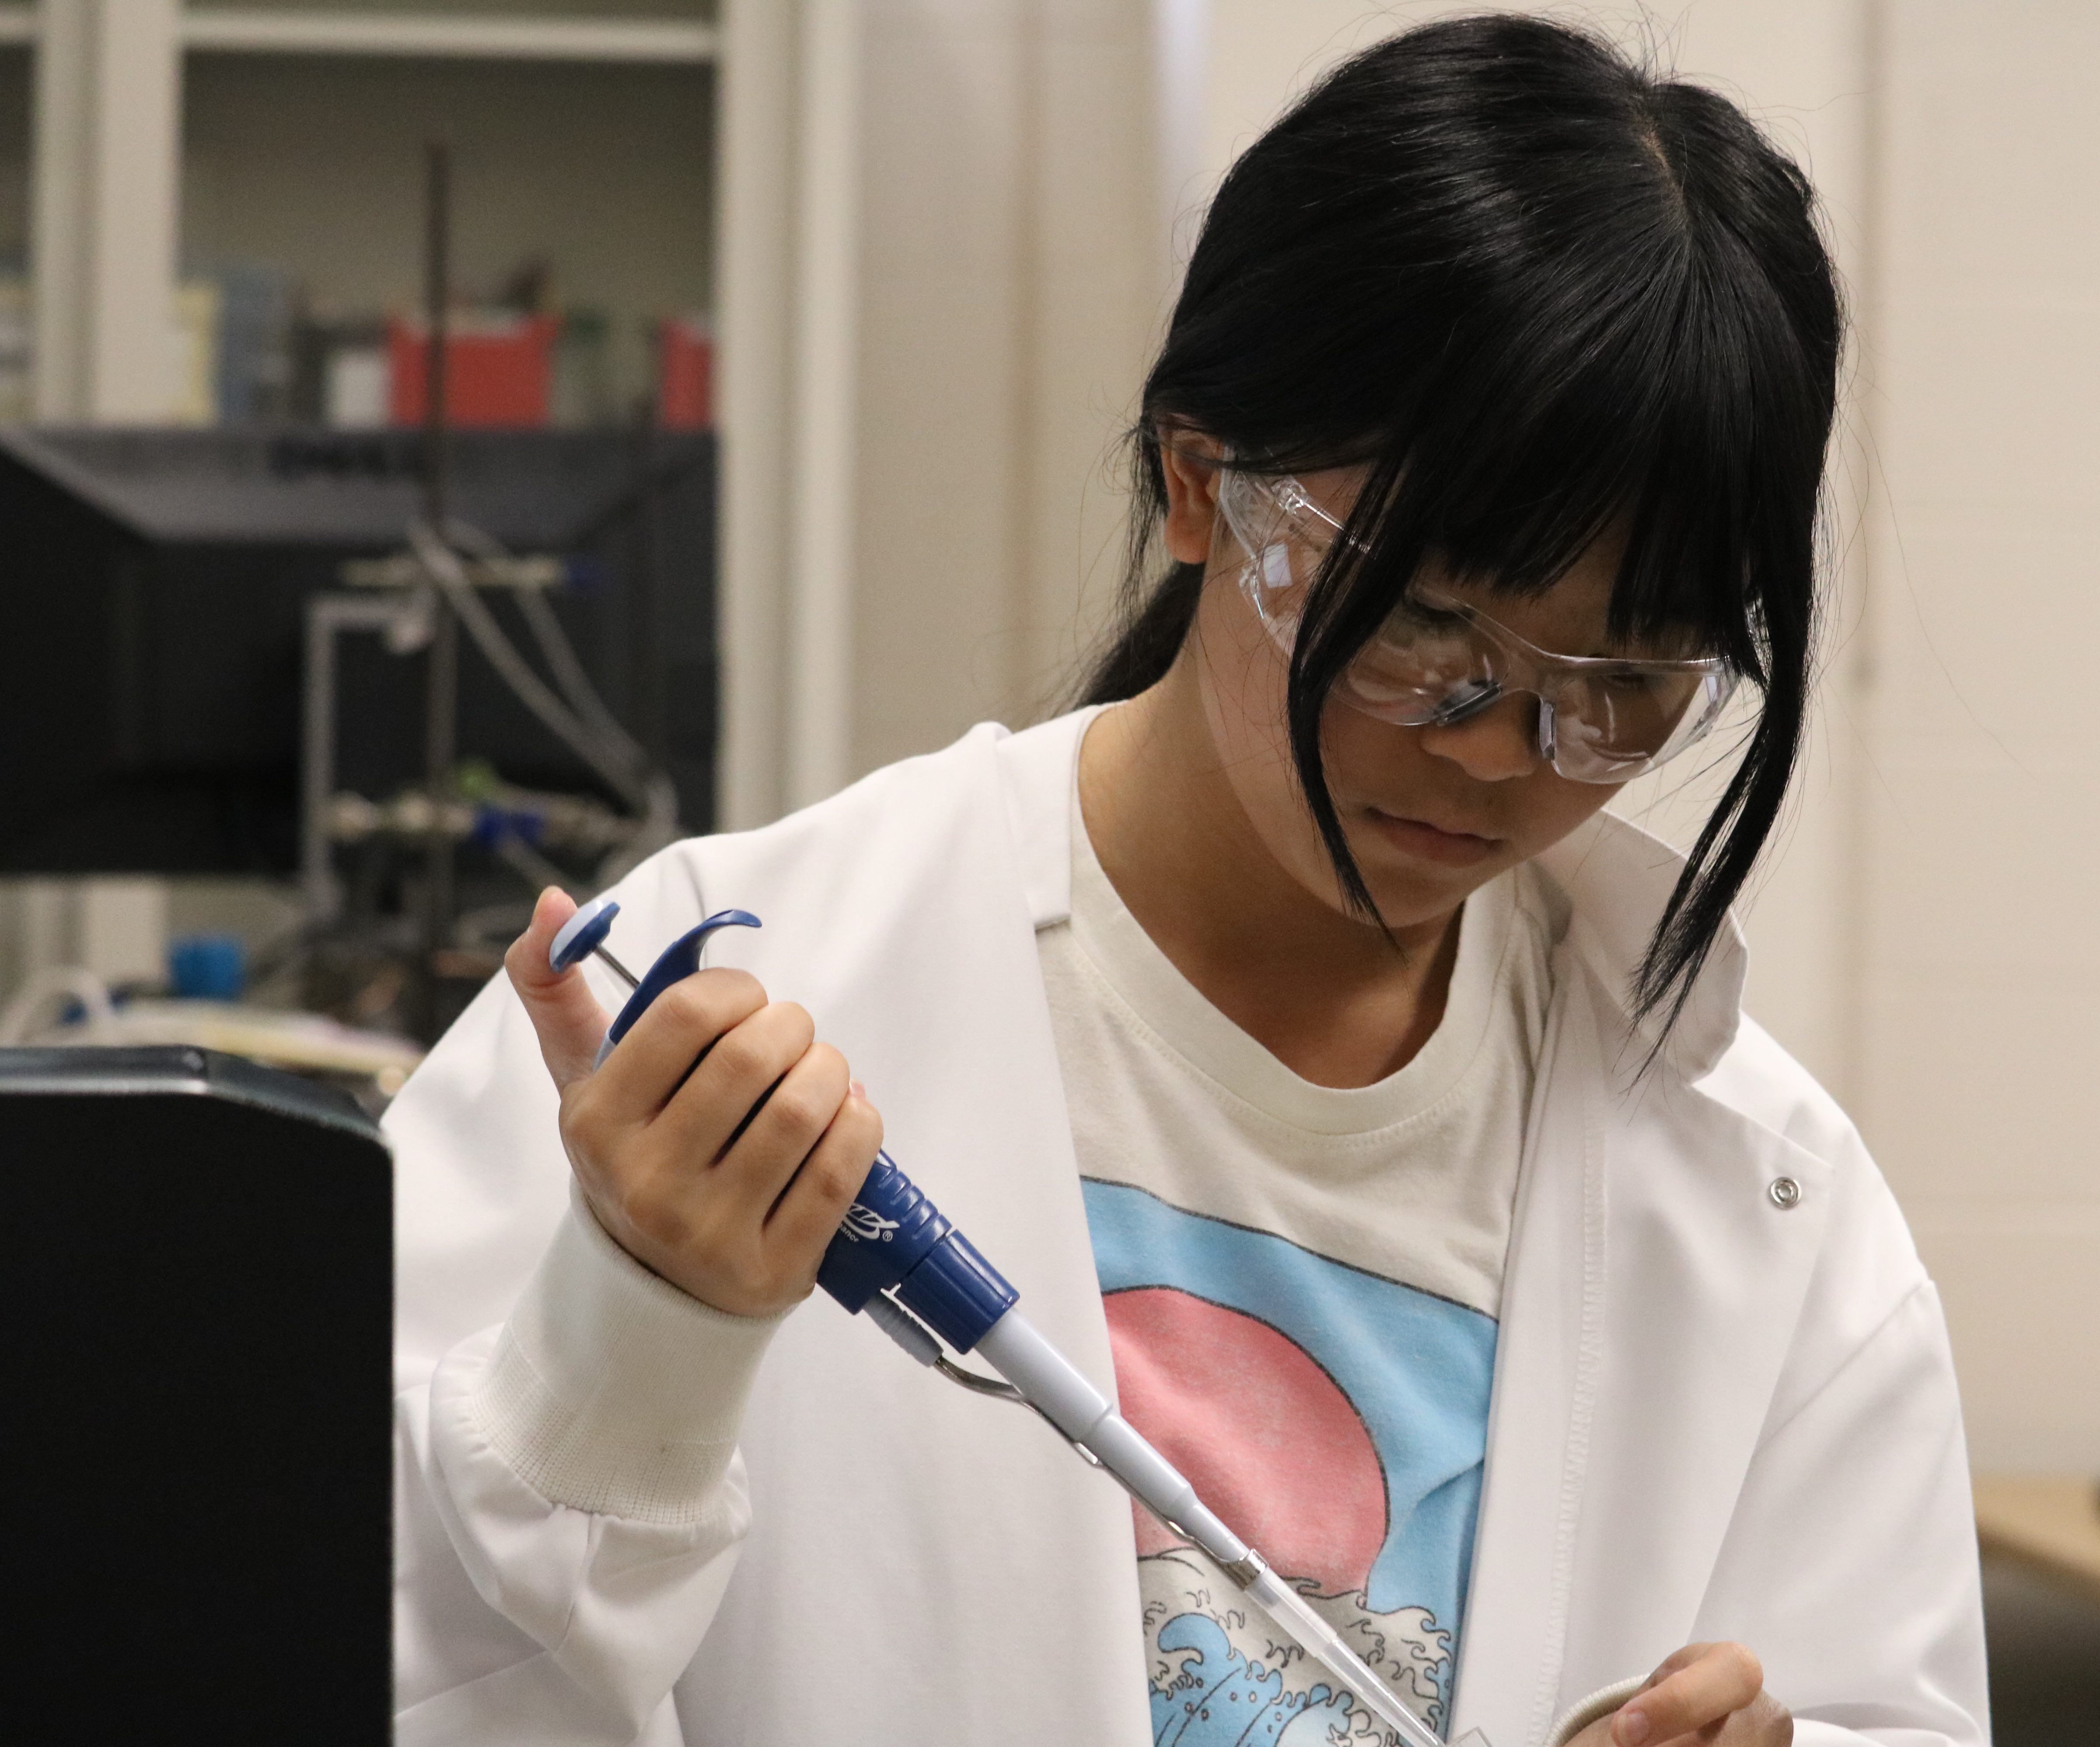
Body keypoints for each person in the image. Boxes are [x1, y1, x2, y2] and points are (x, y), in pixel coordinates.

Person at [388, 16, 1988, 1747]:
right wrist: (630, 1339)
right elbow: (342, 1660)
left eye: (1621, 681)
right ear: (1196, 480)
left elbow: (1876, 1709)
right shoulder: (704, 1030)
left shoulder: (1770, 1211)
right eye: (1432, 620)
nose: (1500, 748)